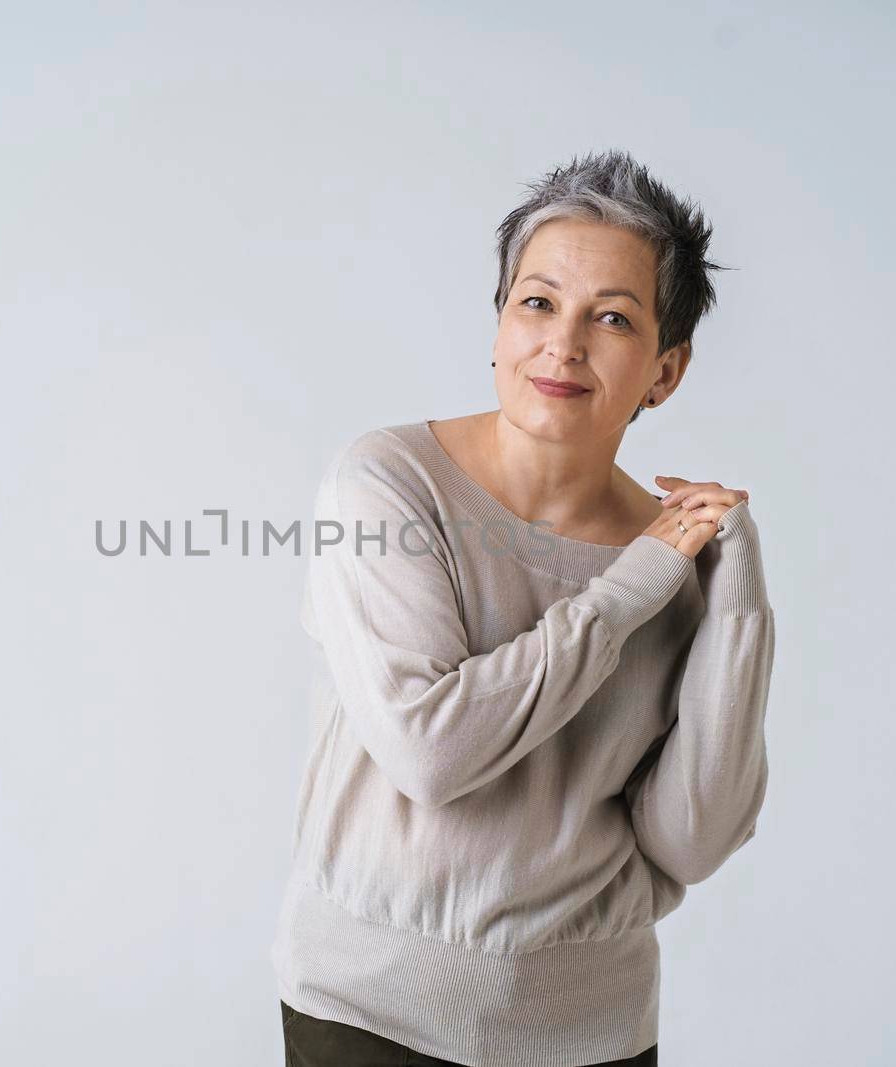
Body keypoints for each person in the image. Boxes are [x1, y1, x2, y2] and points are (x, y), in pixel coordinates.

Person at [270, 148, 776, 1067]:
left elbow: (692, 839)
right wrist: (631, 586)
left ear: (665, 370)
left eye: (612, 318)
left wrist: (736, 594)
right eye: (536, 303)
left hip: (595, 1034)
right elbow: (432, 749)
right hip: (368, 1019)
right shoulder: (388, 485)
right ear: (498, 326)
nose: (563, 344)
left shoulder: (684, 562)